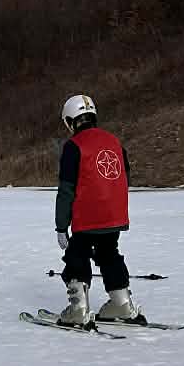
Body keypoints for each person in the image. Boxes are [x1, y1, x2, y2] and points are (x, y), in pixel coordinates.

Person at [54, 92, 137, 327]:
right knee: (109, 253)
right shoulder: (114, 141)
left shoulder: (74, 146)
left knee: (77, 256)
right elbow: (124, 177)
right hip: (114, 215)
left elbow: (66, 190)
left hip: (87, 217)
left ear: (71, 121)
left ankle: (78, 308)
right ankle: (122, 303)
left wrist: (61, 226)